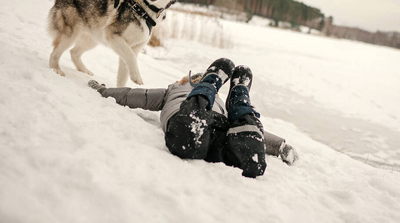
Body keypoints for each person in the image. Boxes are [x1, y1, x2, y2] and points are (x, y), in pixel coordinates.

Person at [88, 58, 298, 177]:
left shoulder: (217, 103)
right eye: (198, 79)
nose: (195, 80)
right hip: (187, 119)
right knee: (190, 131)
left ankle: (239, 97)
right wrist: (104, 90)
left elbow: (245, 129)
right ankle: (219, 88)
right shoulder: (173, 90)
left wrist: (280, 146)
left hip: (215, 126)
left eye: (202, 80)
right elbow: (136, 96)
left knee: (248, 148)